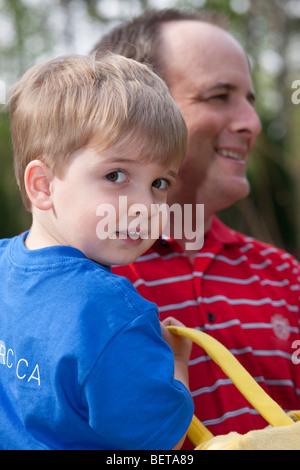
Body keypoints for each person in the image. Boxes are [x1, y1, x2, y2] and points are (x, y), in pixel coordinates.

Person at [92, 8, 300, 447]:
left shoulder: (285, 276)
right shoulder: (57, 278)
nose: (253, 123)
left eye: (250, 100)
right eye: (219, 96)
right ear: (133, 113)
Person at [0, 52, 194, 450]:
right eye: (116, 175)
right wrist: (175, 364)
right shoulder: (111, 312)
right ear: (43, 185)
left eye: (160, 182)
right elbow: (160, 447)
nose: (145, 205)